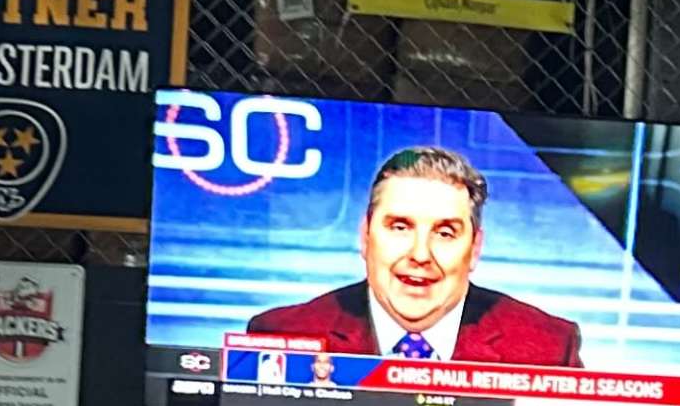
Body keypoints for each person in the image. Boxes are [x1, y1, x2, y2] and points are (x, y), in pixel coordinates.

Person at [247, 144, 584, 368]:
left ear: (475, 249)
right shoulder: (280, 336)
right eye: (400, 227)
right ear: (365, 237)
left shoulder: (547, 349)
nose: (420, 254)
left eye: (445, 233)